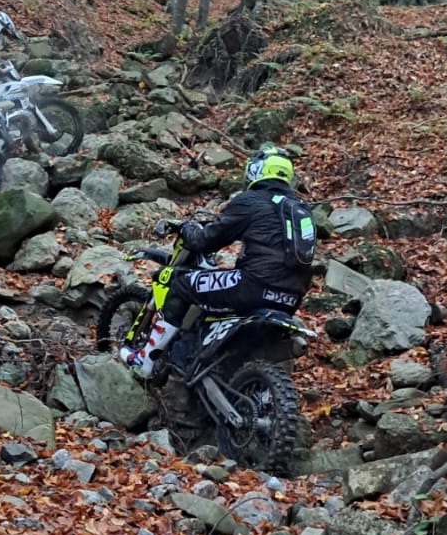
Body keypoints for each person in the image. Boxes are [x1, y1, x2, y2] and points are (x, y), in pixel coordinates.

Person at [122, 145, 316, 378]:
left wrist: (186, 228)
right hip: (291, 297)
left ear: (257, 170)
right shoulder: (301, 210)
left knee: (182, 285)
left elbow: (206, 240)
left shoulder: (251, 201)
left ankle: (144, 362)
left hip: (253, 286)